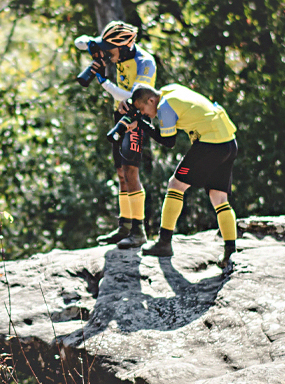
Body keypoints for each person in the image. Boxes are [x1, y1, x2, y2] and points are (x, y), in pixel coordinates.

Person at [125, 83, 239, 269]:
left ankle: (164, 243)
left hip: (210, 144)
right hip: (228, 142)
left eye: (142, 108)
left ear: (151, 100)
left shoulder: (164, 107)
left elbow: (168, 141)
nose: (144, 113)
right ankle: (230, 251)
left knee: (175, 185)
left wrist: (142, 125)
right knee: (218, 197)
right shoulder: (171, 90)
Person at [74, 21, 157, 249]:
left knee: (131, 171)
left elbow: (133, 97)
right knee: (121, 172)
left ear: (124, 46)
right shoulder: (117, 53)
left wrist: (103, 81)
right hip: (118, 117)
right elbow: (78, 42)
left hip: (136, 120)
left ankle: (139, 231)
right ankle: (124, 226)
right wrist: (91, 45)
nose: (107, 53)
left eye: (110, 48)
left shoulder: (145, 63)